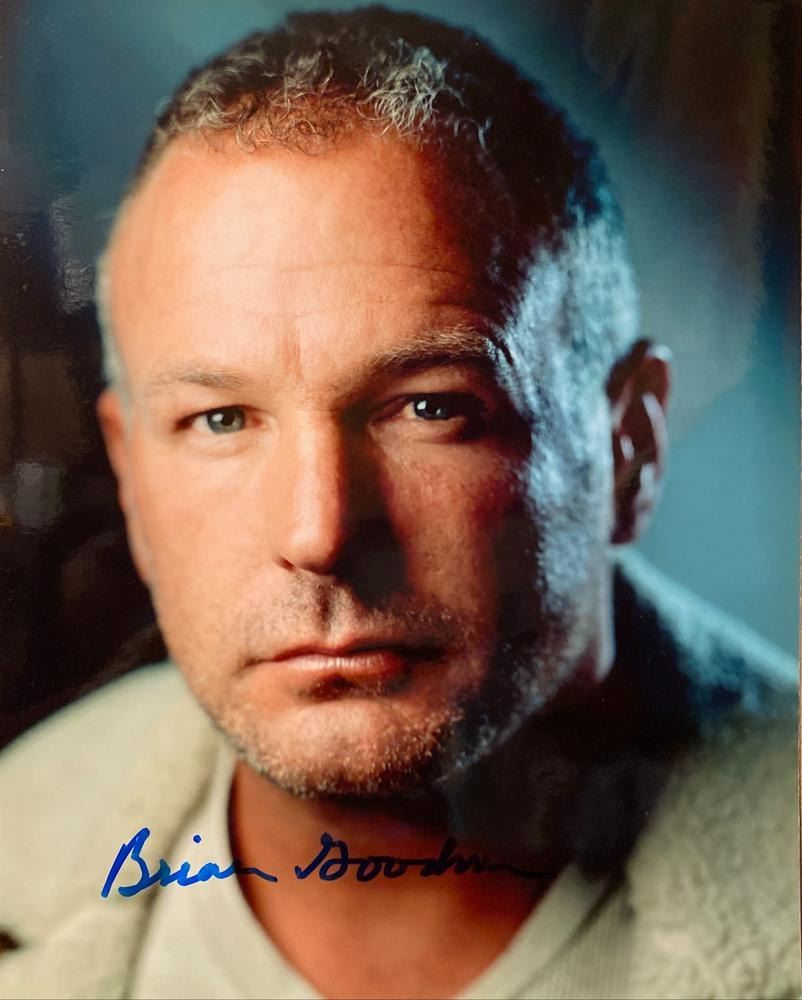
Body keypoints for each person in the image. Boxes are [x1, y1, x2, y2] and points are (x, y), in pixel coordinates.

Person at [0, 8, 796, 999]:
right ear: (131, 476)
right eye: (220, 419)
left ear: (628, 449)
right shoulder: (21, 839)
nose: (318, 532)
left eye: (430, 407)